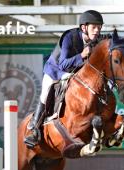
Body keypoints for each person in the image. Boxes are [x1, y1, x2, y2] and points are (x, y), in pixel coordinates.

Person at [24, 10, 104, 149]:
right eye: (94, 27)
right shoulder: (70, 37)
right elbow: (63, 64)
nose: (97, 30)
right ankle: (34, 129)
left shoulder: (97, 40)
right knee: (45, 94)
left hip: (75, 73)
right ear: (84, 27)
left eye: (99, 27)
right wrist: (82, 55)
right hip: (55, 71)